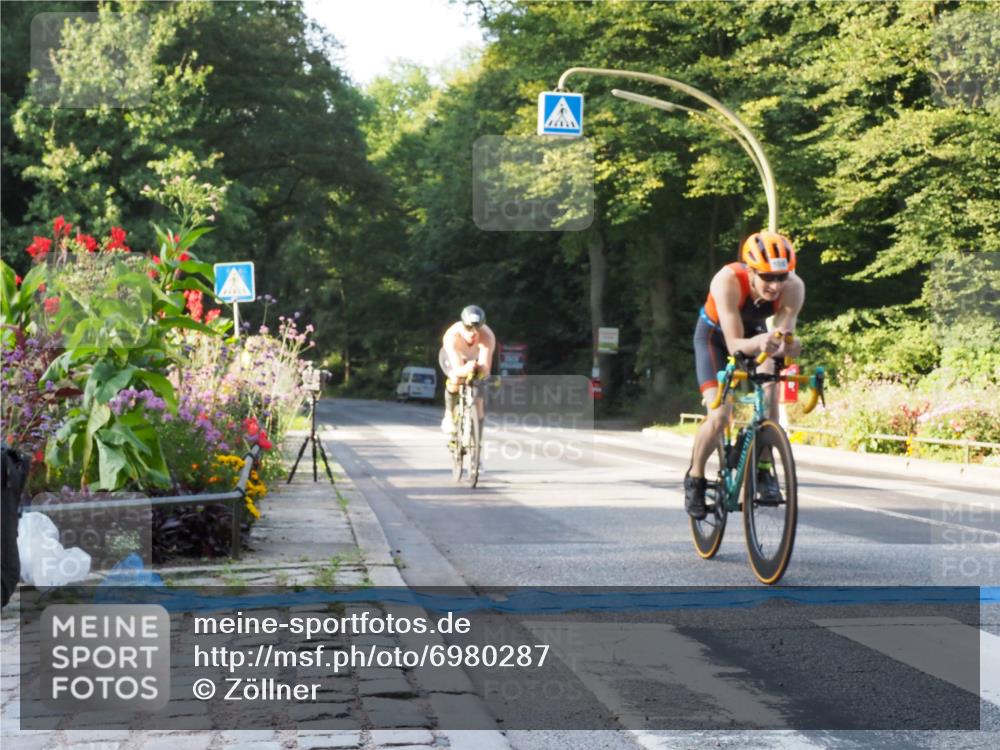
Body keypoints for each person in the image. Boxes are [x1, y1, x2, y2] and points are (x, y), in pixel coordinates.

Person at [685, 232, 805, 519]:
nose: (775, 285)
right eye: (767, 277)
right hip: (715, 337)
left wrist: (789, 345)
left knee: (770, 396)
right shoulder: (726, 280)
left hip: (757, 334)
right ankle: (696, 477)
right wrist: (765, 343)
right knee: (719, 416)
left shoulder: (794, 287)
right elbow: (735, 345)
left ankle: (764, 468)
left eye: (781, 277)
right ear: (750, 270)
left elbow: (783, 335)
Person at [440, 305, 496, 434]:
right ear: (462, 324)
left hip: (474, 360)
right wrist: (466, 369)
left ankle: (477, 441)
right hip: (454, 358)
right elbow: (458, 369)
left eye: (477, 328)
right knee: (455, 379)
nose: (473, 333)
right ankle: (448, 416)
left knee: (479, 399)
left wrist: (478, 371)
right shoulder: (452, 336)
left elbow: (485, 369)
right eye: (468, 328)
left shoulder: (487, 336)